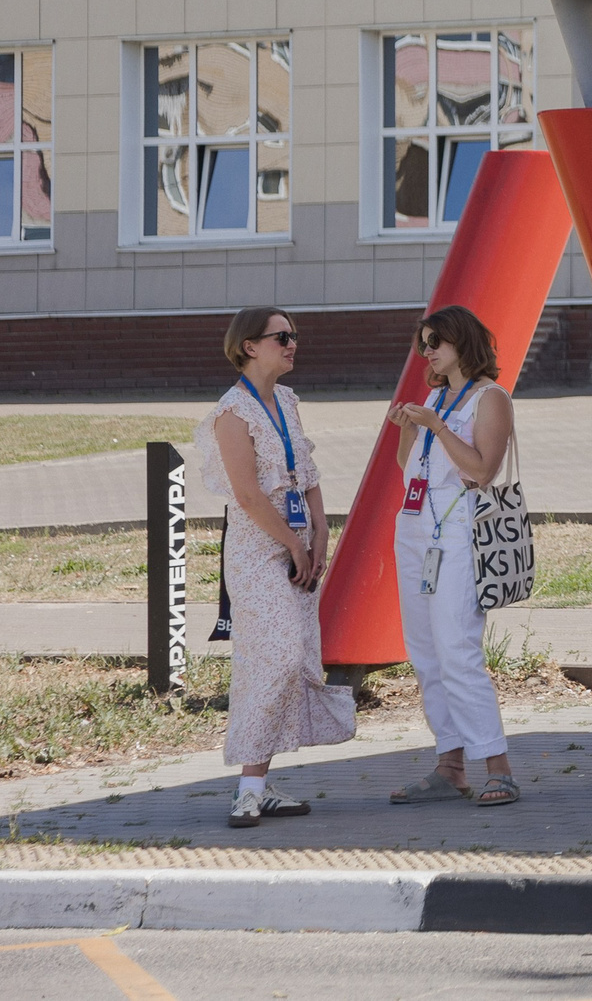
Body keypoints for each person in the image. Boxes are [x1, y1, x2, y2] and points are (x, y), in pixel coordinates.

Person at [198, 306, 355, 828]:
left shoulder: (286, 400)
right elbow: (247, 495)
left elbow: (304, 471)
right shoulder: (231, 413)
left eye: (294, 336)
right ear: (249, 346)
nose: (292, 344)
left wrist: (321, 530)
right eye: (281, 337)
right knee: (275, 658)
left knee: (293, 659)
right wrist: (293, 544)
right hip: (258, 550)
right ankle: (246, 790)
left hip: (298, 543)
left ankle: (259, 785)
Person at [384, 304, 519, 809]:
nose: (428, 351)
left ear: (462, 342)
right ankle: (450, 765)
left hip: (459, 528)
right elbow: (410, 468)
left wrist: (437, 426)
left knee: (457, 647)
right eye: (423, 343)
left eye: (435, 341)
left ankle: (498, 768)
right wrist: (407, 427)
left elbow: (481, 471)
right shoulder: (437, 395)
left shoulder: (489, 397)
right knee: (425, 652)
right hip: (416, 524)